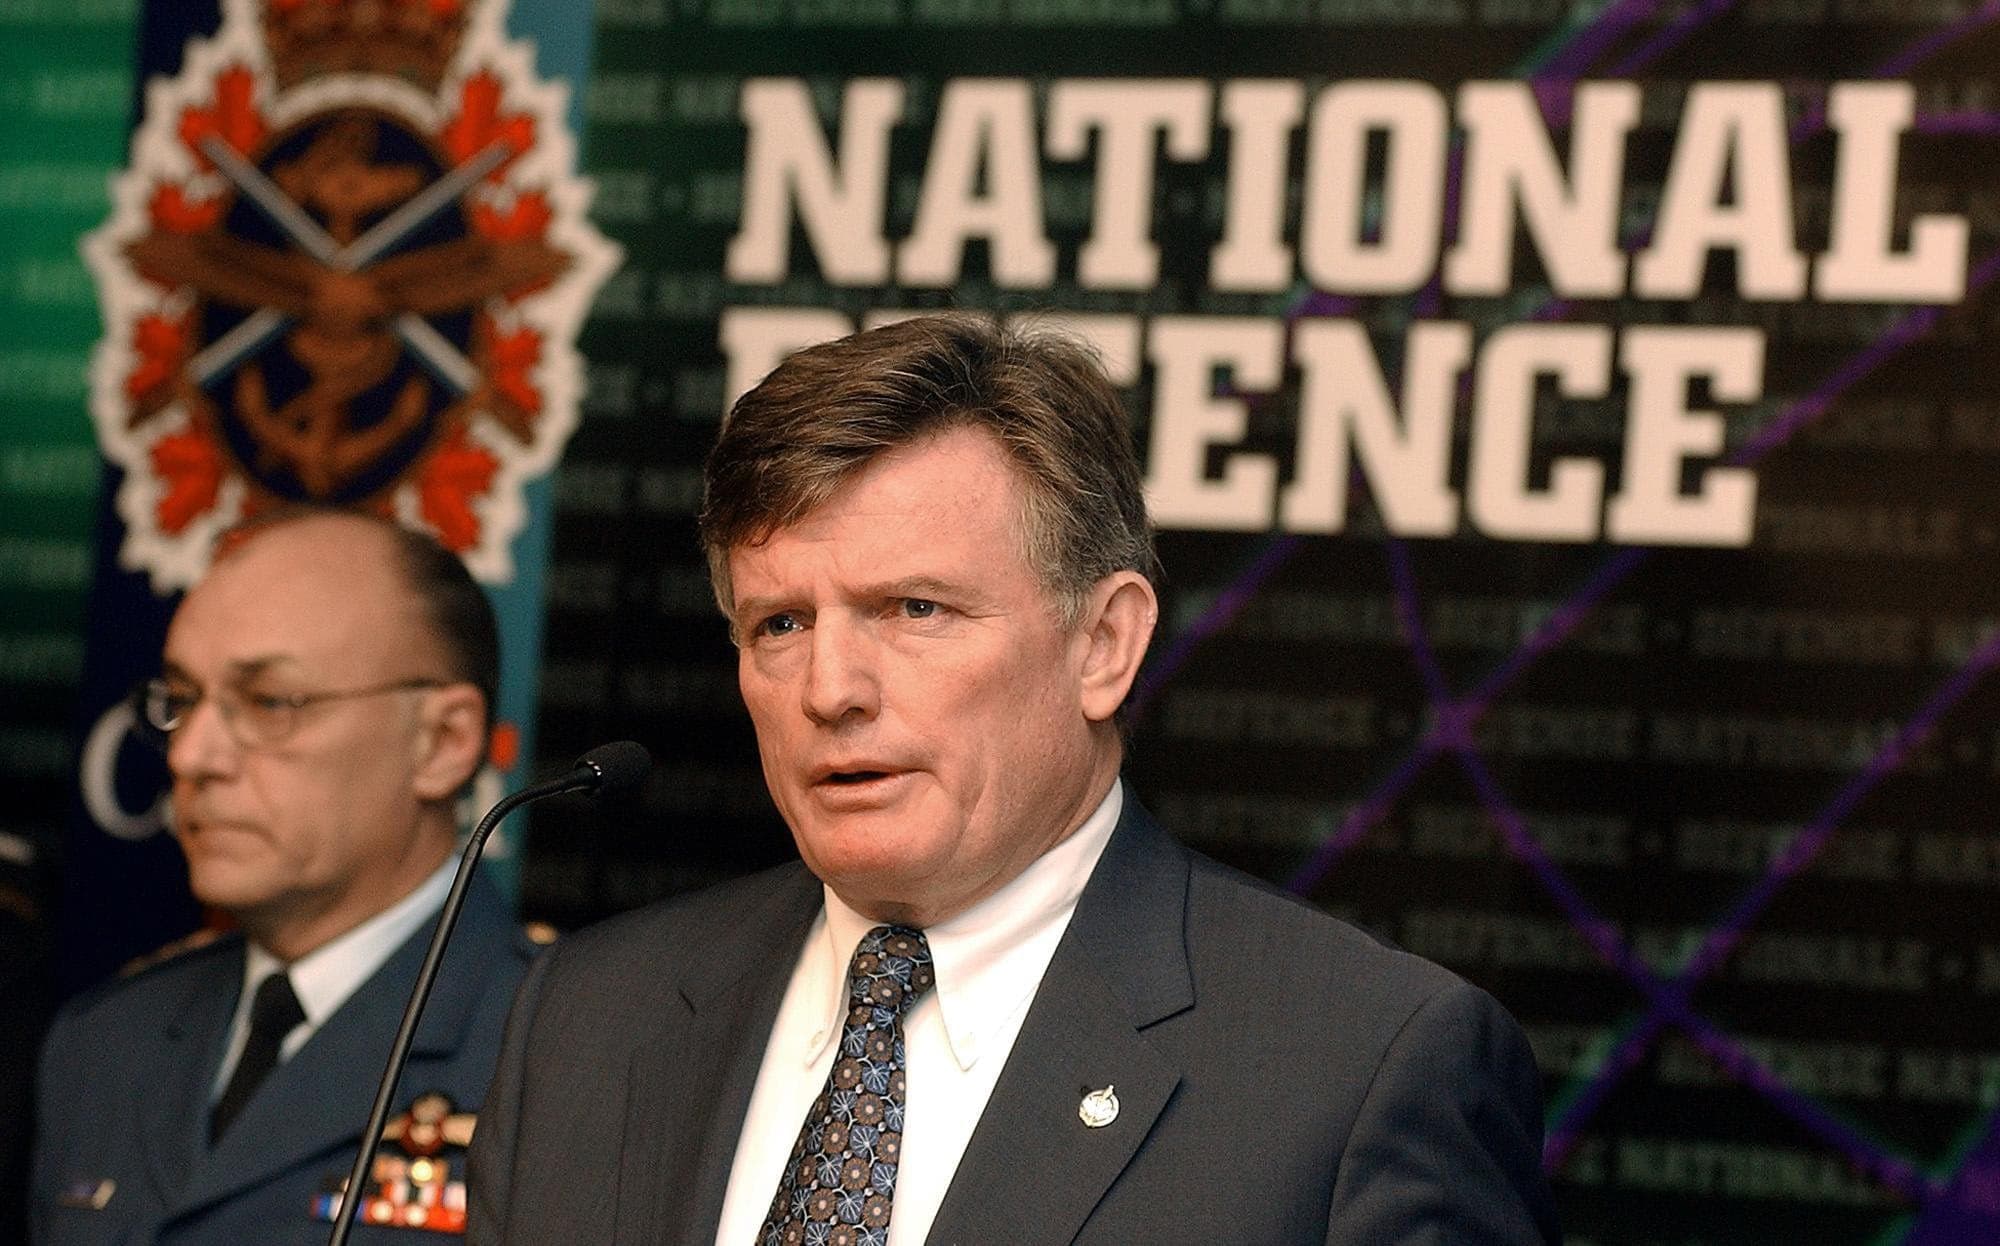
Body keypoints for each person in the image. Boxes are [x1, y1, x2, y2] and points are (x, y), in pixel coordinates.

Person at [468, 315, 1561, 1244]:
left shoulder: (1359, 1068)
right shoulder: (585, 1018)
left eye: (914, 609)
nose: (829, 688)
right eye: (780, 622)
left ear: (1103, 645)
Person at [33, 509, 535, 1245]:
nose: (191, 757)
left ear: (442, 741)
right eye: (181, 700)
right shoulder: (107, 1042)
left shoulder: (557, 1049)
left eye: (271, 702)